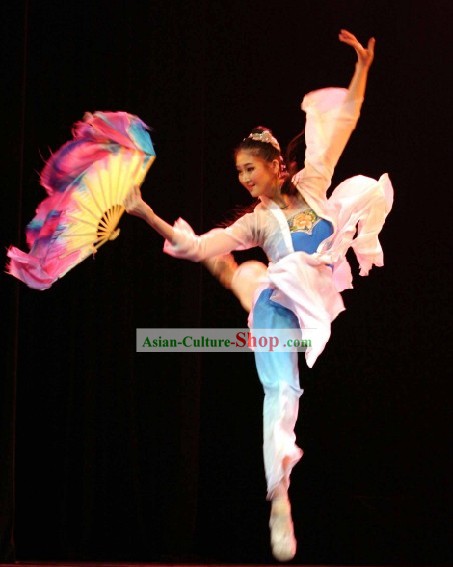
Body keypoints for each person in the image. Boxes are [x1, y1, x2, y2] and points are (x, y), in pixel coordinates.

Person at [124, 29, 393, 562]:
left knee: (252, 271)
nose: (244, 179)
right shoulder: (258, 221)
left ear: (276, 164)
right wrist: (144, 212)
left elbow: (343, 121)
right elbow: (197, 244)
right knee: (281, 391)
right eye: (239, 173)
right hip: (279, 307)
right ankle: (279, 497)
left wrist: (361, 67)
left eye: (250, 168)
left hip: (310, 298)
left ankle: (236, 278)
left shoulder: (314, 181)